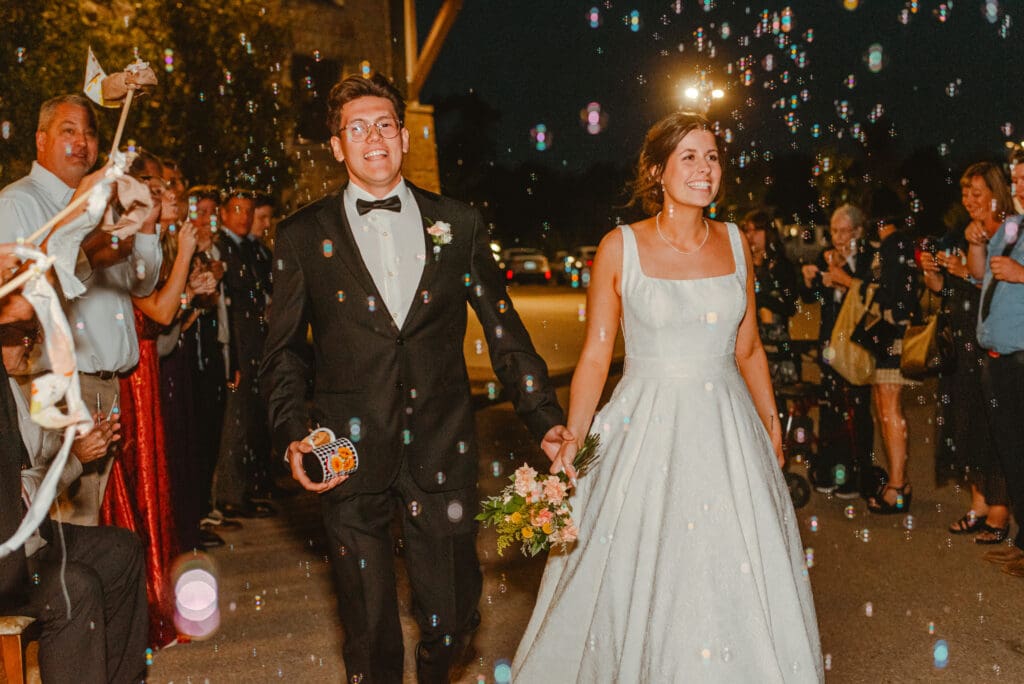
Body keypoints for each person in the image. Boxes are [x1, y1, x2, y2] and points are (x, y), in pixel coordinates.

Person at [259, 73, 569, 683]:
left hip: (441, 446)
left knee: (451, 619)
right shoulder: (302, 235)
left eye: (383, 124)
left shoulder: (458, 223)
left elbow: (505, 334)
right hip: (346, 451)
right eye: (356, 128)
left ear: (402, 136)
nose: (372, 137)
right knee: (369, 627)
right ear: (337, 146)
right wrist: (294, 432)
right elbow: (283, 353)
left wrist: (546, 420)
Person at [513, 111, 821, 681]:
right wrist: (573, 442)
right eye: (688, 157)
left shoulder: (734, 241)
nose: (704, 169)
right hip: (644, 427)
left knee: (732, 568)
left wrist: (770, 422)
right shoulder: (619, 247)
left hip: (727, 430)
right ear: (657, 171)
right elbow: (595, 357)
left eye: (712, 157)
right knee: (644, 570)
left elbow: (748, 348)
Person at [0, 94, 163, 525]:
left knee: (86, 521)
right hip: (53, 384)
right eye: (67, 130)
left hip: (104, 386)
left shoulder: (97, 205)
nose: (82, 142)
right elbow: (17, 295)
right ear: (40, 140)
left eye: (90, 132)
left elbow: (141, 282)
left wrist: (146, 227)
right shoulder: (19, 203)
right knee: (56, 526)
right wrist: (89, 252)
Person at [0, 256, 149, 684]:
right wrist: (78, 457)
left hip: (25, 541)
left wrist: (74, 436)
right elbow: (21, 494)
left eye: (32, 335)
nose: (29, 344)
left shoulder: (11, 383)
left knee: (121, 551)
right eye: (20, 335)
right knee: (74, 588)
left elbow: (35, 453)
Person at [100, 150, 216, 646]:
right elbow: (160, 311)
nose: (166, 197)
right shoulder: (116, 248)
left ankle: (156, 591)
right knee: (136, 484)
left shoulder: (143, 247)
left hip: (144, 369)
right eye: (157, 187)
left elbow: (167, 307)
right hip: (134, 375)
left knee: (157, 483)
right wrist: (187, 265)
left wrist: (192, 291)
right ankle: (138, 603)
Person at [921, 163, 1011, 542]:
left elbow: (991, 287)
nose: (969, 200)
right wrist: (934, 276)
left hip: (988, 340)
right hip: (959, 340)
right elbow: (948, 291)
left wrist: (961, 272)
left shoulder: (1008, 233)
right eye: (965, 192)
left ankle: (999, 512)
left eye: (977, 193)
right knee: (964, 423)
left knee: (991, 427)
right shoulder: (961, 233)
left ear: (995, 193)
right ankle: (977, 504)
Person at [799, 204, 877, 498]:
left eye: (844, 231)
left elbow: (871, 297)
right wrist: (809, 280)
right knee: (830, 408)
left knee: (856, 409)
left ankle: (857, 474)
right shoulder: (826, 256)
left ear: (858, 231)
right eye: (833, 230)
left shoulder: (868, 258)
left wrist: (844, 280)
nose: (838, 237)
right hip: (829, 341)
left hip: (855, 345)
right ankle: (831, 468)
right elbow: (812, 298)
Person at [966, 197, 1024, 576]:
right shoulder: (1012, 226)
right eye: (1016, 178)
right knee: (1013, 457)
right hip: (998, 358)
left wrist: (1022, 274)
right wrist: (975, 245)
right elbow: (977, 277)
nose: (1018, 185)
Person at [213, 188, 274, 517]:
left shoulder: (250, 248)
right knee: (235, 422)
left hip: (256, 344)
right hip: (237, 344)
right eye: (237, 209)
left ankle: (249, 487)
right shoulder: (221, 248)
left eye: (248, 211)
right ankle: (230, 495)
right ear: (223, 213)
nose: (244, 216)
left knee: (251, 420)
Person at [862, 209, 921, 514]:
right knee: (886, 408)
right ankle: (899, 482)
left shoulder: (892, 245)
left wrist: (857, 285)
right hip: (892, 334)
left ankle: (898, 487)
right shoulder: (904, 244)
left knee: (889, 409)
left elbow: (890, 293)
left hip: (891, 335)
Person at [741, 209, 799, 387]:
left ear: (768, 232)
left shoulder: (781, 266)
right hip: (749, 340)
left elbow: (791, 306)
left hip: (775, 342)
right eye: (747, 230)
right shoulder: (742, 264)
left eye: (756, 230)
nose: (751, 236)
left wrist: (761, 299)